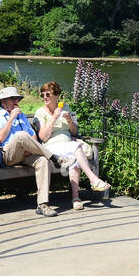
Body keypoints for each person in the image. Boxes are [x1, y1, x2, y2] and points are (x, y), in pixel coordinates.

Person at [33, 81, 110, 210]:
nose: (44, 97)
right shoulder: (40, 112)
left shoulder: (66, 108)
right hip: (51, 148)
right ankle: (94, 179)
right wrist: (54, 117)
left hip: (67, 145)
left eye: (48, 94)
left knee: (74, 158)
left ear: (56, 95)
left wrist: (69, 121)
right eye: (43, 95)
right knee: (76, 148)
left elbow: (74, 132)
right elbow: (43, 137)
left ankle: (76, 198)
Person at [0, 86, 60, 217]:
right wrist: (11, 118)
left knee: (42, 161)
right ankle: (54, 157)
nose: (16, 101)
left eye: (17, 99)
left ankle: (43, 204)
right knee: (20, 135)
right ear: (3, 102)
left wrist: (29, 149)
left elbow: (33, 137)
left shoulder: (22, 117)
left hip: (26, 154)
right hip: (7, 155)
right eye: (12, 99)